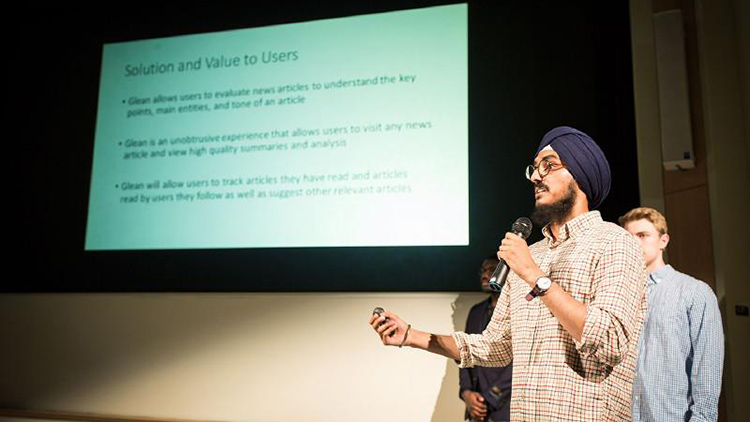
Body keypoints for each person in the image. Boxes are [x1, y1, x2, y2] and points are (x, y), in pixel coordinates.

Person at [370, 126, 647, 421]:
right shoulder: (533, 253)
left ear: (580, 173)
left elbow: (609, 341)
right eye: (534, 168)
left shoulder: (615, 242)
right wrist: (411, 335)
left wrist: (534, 275)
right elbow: (494, 346)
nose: (535, 176)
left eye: (548, 165)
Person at [619, 207, 724, 421]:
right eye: (629, 237)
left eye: (643, 235)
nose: (634, 243)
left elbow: (707, 367)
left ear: (663, 241)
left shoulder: (695, 292)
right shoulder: (618, 294)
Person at [460, 256, 513, 422]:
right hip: (477, 410)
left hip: (506, 408)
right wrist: (466, 392)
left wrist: (490, 398)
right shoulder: (476, 312)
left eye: (491, 270)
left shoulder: (519, 310)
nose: (485, 275)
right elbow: (464, 353)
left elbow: (522, 359)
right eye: (483, 271)